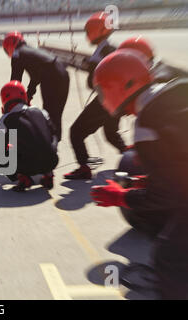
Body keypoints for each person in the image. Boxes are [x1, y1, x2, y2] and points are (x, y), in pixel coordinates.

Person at [90, 49, 188, 299]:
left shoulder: (147, 125)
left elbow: (168, 196)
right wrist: (151, 178)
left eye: (102, 92)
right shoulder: (177, 88)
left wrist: (121, 197)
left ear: (118, 88)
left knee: (170, 255)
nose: (101, 99)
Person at [64, 11, 127, 180]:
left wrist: (89, 68)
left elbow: (92, 83)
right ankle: (136, 157)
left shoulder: (99, 54)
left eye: (87, 32)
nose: (86, 36)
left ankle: (84, 167)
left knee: (75, 132)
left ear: (95, 31)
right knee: (111, 133)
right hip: (118, 101)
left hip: (104, 101)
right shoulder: (112, 48)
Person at [0, 81, 58, 191]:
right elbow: (54, 135)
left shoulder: (5, 120)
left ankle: (22, 177)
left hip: (28, 166)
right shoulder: (41, 112)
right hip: (52, 161)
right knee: (47, 143)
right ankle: (48, 174)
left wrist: (12, 146)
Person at [3, 31, 69, 141]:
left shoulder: (17, 53)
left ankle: (50, 143)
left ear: (9, 46)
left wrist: (11, 103)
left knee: (50, 113)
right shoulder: (31, 51)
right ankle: (54, 140)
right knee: (55, 113)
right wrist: (28, 95)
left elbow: (15, 80)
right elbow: (36, 77)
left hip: (51, 77)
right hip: (62, 73)